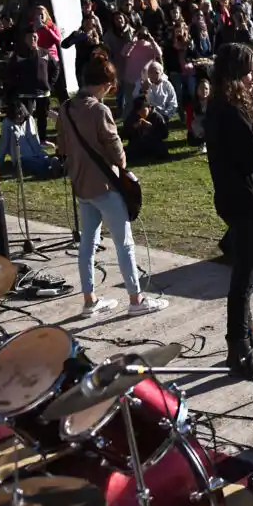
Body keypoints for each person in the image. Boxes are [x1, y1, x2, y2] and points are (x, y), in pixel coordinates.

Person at [56, 55, 168, 317]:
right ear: (104, 83)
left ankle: (89, 300)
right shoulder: (99, 110)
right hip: (105, 187)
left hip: (81, 185)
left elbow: (62, 147)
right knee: (124, 244)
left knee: (87, 245)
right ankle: (136, 299)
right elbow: (118, 154)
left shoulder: (65, 108)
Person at [205, 43, 253, 379]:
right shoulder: (230, 111)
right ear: (236, 73)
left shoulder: (222, 105)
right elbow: (249, 157)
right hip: (246, 201)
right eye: (249, 71)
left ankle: (247, 339)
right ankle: (238, 349)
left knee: (244, 276)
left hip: (232, 198)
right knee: (244, 280)